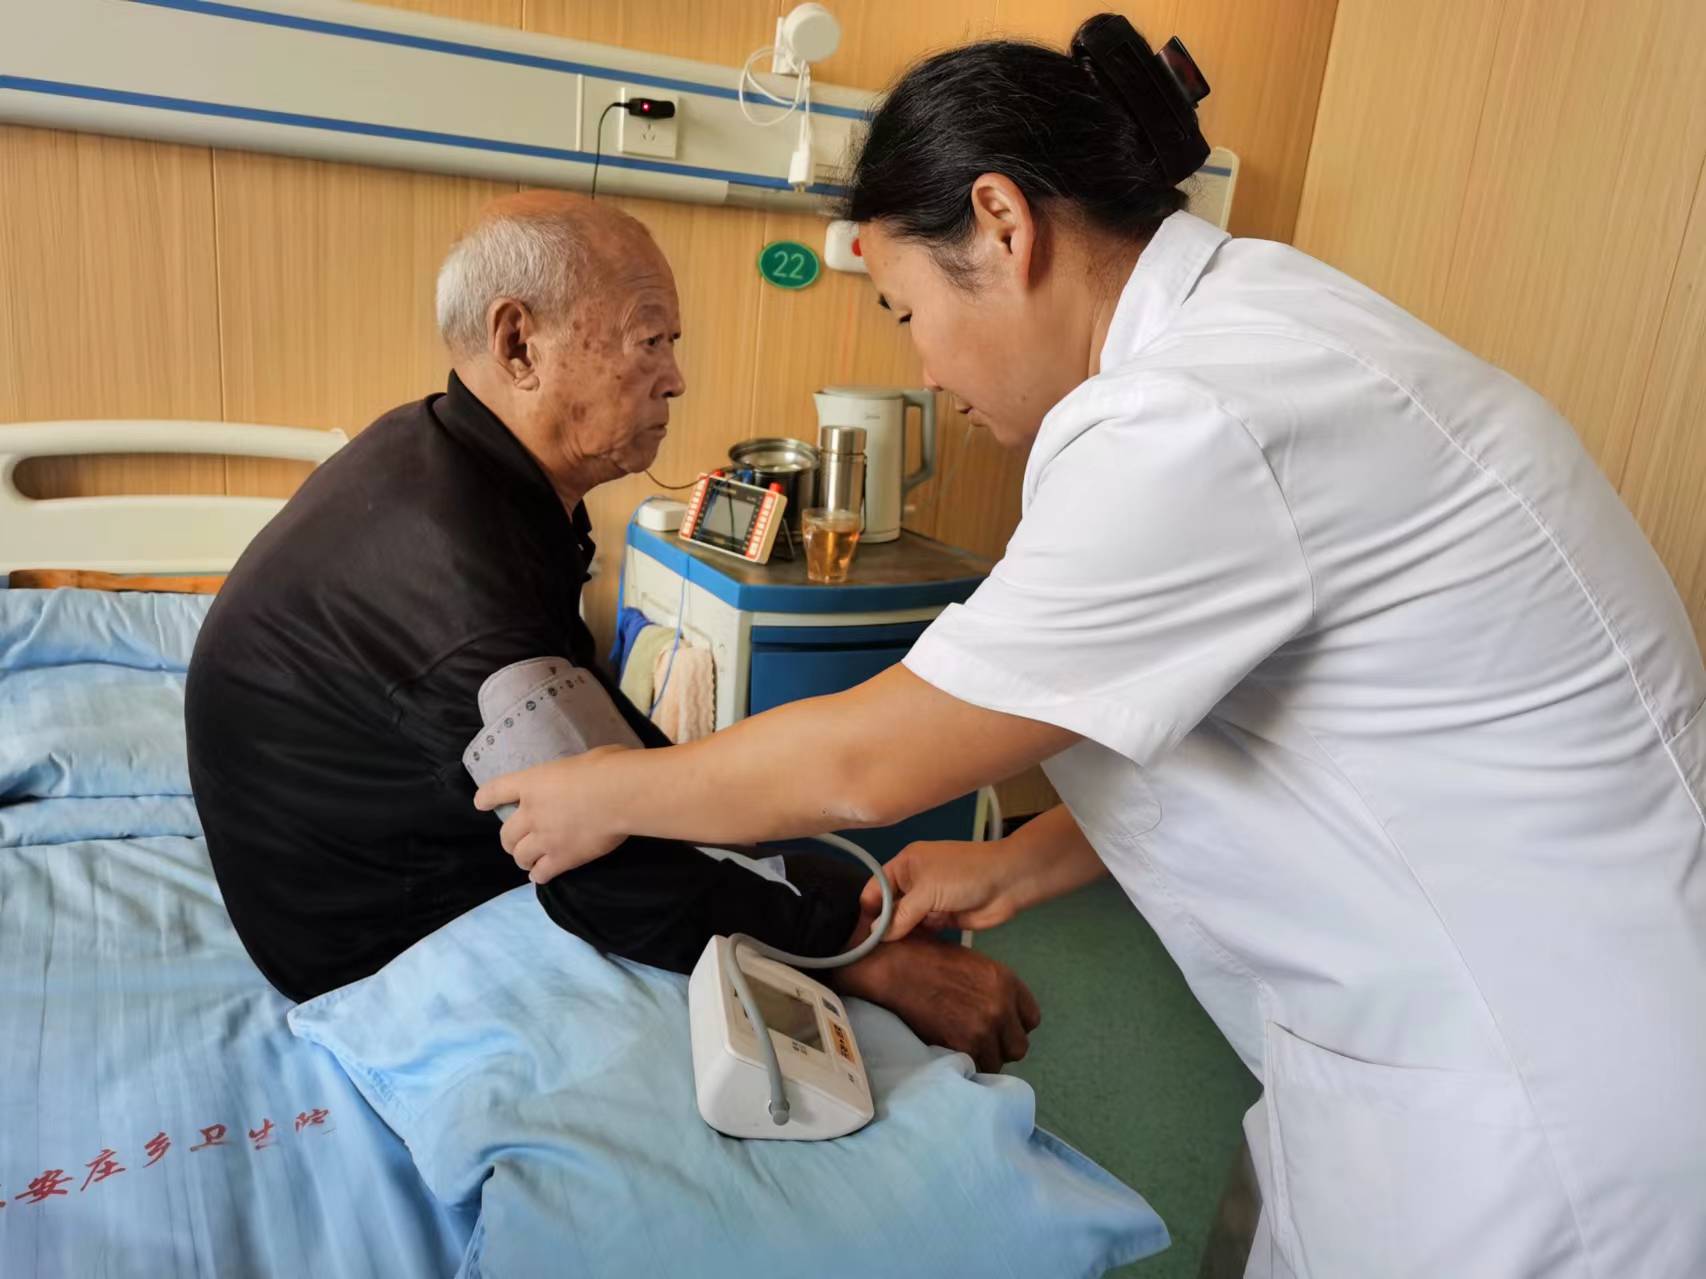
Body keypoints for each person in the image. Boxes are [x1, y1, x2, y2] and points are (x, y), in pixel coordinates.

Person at [475, 18, 1706, 1278]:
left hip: (1528, 1098)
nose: (924, 365)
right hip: (1465, 1011)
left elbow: (870, 757)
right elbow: (1266, 731)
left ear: (1001, 224)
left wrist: (604, 791)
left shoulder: (1191, 417)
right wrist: (1018, 863)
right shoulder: (1259, 326)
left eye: (905, 310)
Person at [184, 192, 1040, 1073]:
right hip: (370, 939)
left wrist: (750, 839)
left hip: (414, 832)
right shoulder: (458, 581)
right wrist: (861, 960)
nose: (676, 378)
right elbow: (603, 872)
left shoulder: (451, 458)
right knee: (838, 952)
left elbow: (595, 739)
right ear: (519, 344)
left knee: (793, 865)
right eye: (650, 340)